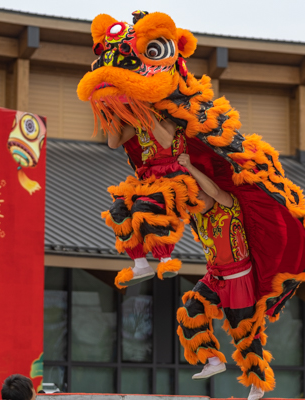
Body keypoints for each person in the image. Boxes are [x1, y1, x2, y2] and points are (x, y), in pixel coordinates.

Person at [176, 153, 272, 400]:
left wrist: (190, 166)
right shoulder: (196, 213)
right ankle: (212, 360)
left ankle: (257, 383)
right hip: (213, 277)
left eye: (199, 193)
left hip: (239, 278)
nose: (196, 197)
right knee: (190, 311)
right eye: (193, 195)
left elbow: (214, 191)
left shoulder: (229, 204)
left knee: (245, 333)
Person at [104, 112, 203, 288]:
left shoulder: (170, 117)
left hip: (173, 177)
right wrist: (116, 112)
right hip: (148, 179)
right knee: (118, 209)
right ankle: (140, 264)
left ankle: (165, 259)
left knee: (144, 206)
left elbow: (166, 141)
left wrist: (146, 113)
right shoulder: (138, 121)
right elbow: (113, 143)